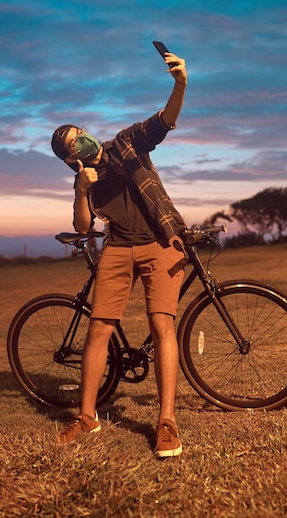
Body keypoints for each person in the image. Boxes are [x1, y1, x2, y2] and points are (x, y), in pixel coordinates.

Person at [51, 50, 188, 457]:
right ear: (70, 158)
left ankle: (167, 422)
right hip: (117, 249)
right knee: (98, 330)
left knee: (162, 323)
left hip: (160, 243)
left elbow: (164, 122)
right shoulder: (85, 180)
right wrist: (81, 189)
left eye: (82, 132)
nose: (85, 139)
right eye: (75, 143)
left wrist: (180, 83)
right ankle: (88, 416)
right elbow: (82, 226)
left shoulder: (126, 144)